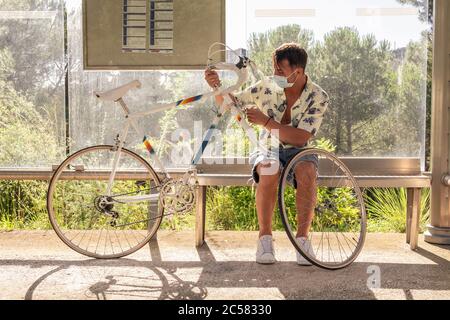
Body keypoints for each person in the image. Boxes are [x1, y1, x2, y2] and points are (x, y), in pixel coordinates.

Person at [204, 43, 329, 265]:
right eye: (274, 68)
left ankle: (302, 241)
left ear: (297, 72)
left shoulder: (318, 96)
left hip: (299, 148)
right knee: (269, 170)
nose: (275, 74)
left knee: (307, 171)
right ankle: (265, 239)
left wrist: (266, 121)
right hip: (268, 146)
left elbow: (301, 137)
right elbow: (229, 104)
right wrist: (217, 87)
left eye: (280, 70)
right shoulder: (266, 87)